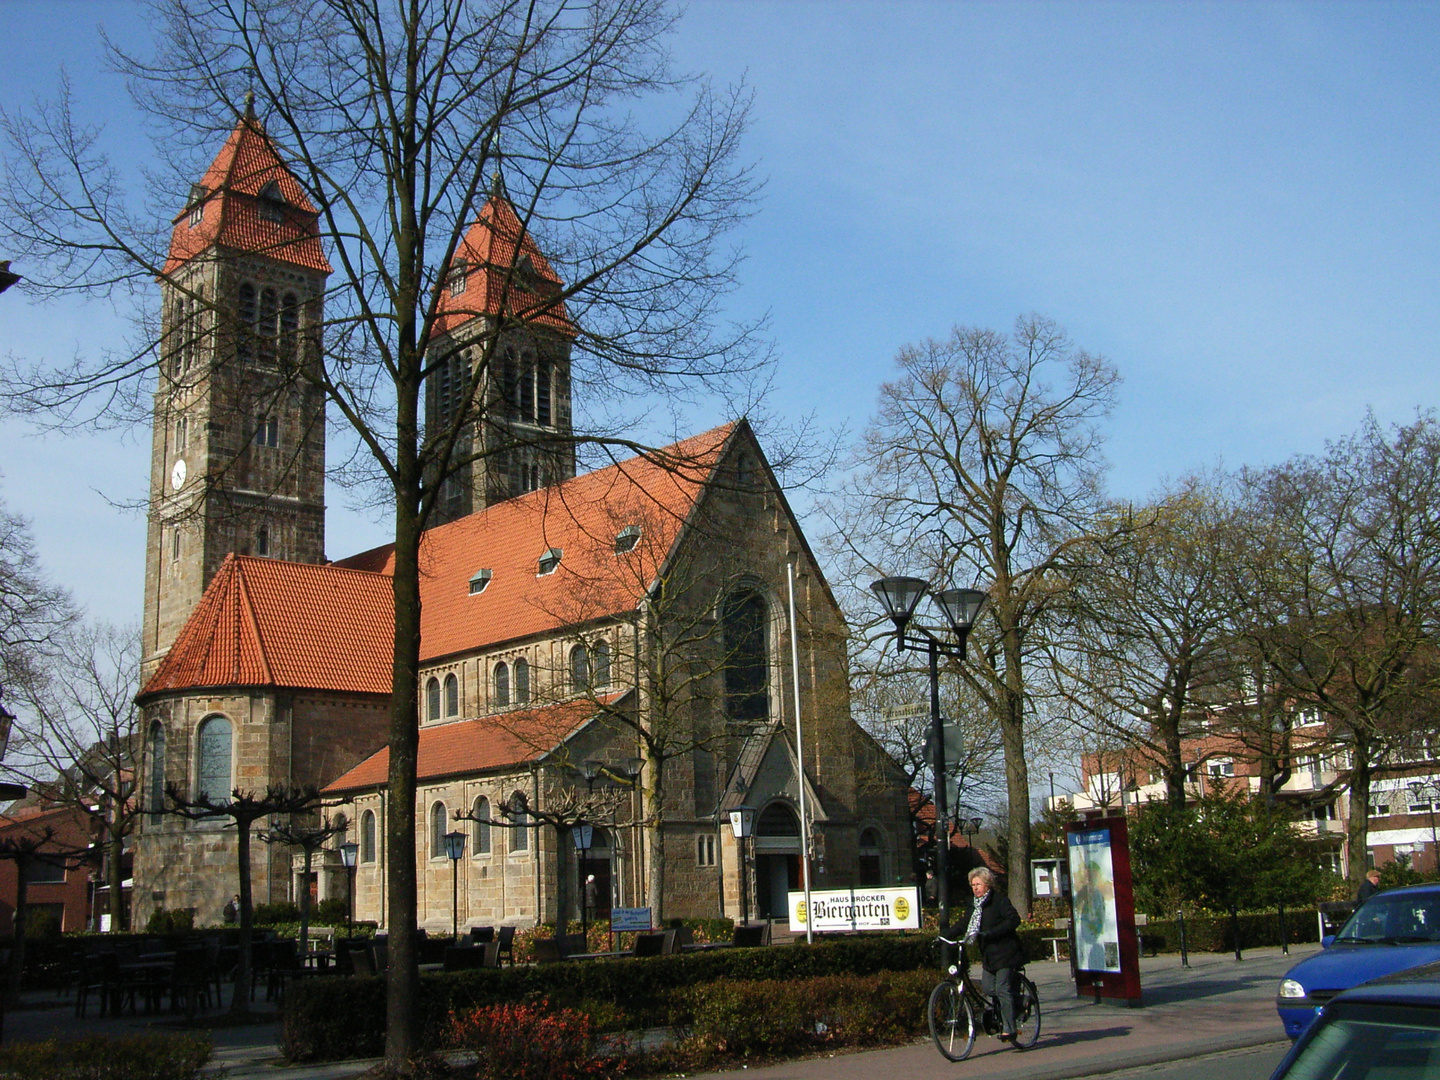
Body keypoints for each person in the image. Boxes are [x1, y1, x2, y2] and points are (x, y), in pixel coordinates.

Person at [950, 867, 1024, 1042]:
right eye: (973, 885)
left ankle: (1010, 1028)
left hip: (1006, 952)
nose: (975, 888)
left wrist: (993, 932)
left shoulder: (999, 901)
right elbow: (964, 924)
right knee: (989, 989)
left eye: (978, 884)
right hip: (989, 955)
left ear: (987, 884)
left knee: (1001, 988)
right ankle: (1009, 1008)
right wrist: (945, 935)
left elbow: (1013, 920)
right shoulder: (974, 906)